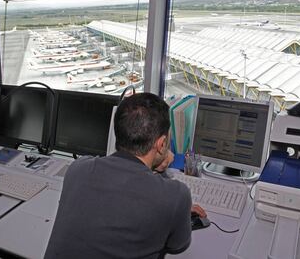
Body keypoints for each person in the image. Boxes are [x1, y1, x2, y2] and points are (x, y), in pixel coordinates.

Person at [45, 92, 206, 259]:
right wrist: (178, 212)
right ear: (162, 144)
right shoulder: (175, 196)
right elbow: (177, 246)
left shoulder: (77, 169)